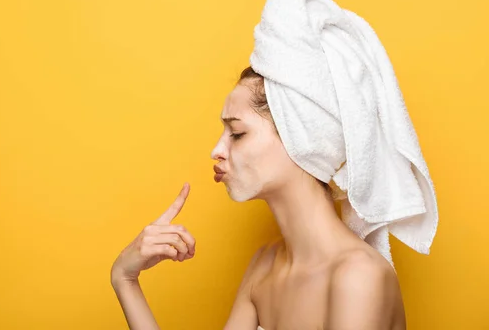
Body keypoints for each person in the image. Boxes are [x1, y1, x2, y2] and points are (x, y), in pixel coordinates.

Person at [110, 66, 406, 330]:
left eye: (236, 133)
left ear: (299, 138)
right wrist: (125, 279)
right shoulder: (264, 266)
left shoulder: (358, 279)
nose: (217, 150)